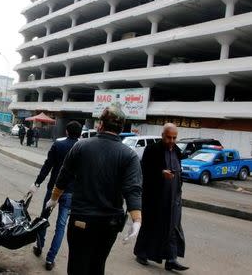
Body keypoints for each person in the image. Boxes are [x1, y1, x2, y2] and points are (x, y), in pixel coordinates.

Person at [46, 106, 143, 275]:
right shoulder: (129, 155)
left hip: (81, 221)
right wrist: (137, 220)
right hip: (109, 225)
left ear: (100, 125)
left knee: (77, 265)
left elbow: (63, 177)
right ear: (121, 128)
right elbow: (133, 190)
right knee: (97, 265)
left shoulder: (81, 147)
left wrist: (54, 199)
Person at [134, 123, 188, 272]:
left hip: (174, 196)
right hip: (155, 196)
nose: (171, 141)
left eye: (174, 138)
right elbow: (144, 169)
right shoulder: (152, 149)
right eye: (169, 137)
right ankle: (141, 253)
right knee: (151, 226)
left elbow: (179, 172)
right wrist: (160, 172)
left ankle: (171, 259)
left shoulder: (177, 151)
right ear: (163, 135)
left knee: (173, 227)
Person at [28, 121, 82, 271]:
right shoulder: (82, 149)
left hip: (53, 189)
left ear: (66, 132)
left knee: (44, 217)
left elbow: (47, 166)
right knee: (61, 226)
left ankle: (39, 246)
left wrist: (37, 183)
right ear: (80, 133)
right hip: (70, 193)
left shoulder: (58, 145)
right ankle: (50, 259)